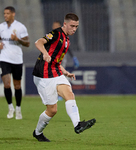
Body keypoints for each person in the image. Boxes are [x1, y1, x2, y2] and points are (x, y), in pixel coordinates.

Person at [32, 13, 96, 142]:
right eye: (72, 26)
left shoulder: (67, 40)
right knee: (52, 110)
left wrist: (65, 72)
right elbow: (38, 42)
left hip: (55, 72)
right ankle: (38, 133)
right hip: (43, 75)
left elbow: (56, 62)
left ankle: (77, 125)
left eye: (76, 27)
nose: (74, 29)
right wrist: (44, 53)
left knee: (69, 93)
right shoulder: (56, 34)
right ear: (65, 24)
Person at [0, 6, 30, 120]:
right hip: (4, 59)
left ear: (13, 14)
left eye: (7, 13)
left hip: (17, 59)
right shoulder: (0, 27)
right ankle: (11, 107)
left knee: (17, 86)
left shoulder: (20, 27)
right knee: (6, 84)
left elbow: (27, 43)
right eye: (4, 13)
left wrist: (18, 40)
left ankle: (18, 109)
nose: (5, 15)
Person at [52, 21, 79, 101]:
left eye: (57, 25)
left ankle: (62, 93)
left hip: (61, 59)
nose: (55, 27)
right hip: (52, 59)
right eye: (54, 25)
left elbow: (68, 48)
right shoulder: (51, 36)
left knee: (60, 74)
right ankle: (58, 93)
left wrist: (73, 57)